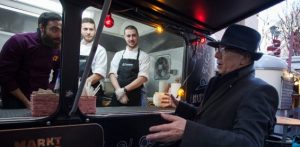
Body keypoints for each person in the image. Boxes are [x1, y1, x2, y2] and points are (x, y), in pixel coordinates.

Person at [146, 24, 279, 146]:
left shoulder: (259, 91)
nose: (216, 55)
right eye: (218, 49)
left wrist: (188, 131)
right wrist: (179, 105)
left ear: (245, 58)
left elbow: (248, 142)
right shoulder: (217, 82)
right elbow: (205, 117)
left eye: (224, 49)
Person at [0, 12, 62, 109]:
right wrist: (27, 102)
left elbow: (59, 70)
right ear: (42, 27)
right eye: (54, 29)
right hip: (15, 100)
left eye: (61, 30)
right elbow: (5, 76)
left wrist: (50, 90)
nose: (59, 35)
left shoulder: (55, 46)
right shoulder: (18, 42)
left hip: (41, 100)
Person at [109, 25, 150, 106]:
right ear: (124, 37)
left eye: (134, 35)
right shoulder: (118, 55)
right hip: (118, 96)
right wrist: (118, 91)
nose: (131, 39)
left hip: (135, 97)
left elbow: (142, 78)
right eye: (128, 36)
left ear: (137, 36)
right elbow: (112, 74)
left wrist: (123, 90)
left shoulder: (144, 56)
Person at [80, 18, 107, 98]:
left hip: (91, 91)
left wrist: (80, 86)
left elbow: (98, 75)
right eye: (85, 29)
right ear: (80, 30)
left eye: (91, 29)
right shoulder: (74, 46)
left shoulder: (100, 50)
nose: (88, 32)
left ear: (95, 31)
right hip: (74, 89)